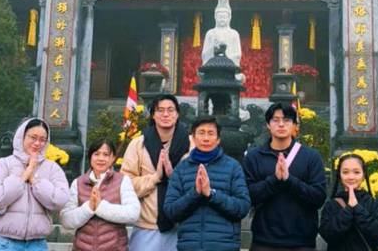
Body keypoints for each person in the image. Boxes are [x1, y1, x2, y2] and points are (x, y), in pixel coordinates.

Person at [242, 103, 328, 251]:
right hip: (264, 241)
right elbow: (248, 196)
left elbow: (319, 197)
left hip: (301, 242)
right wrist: (274, 180)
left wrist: (290, 181)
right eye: (275, 120)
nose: (281, 124)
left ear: (294, 125)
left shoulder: (310, 157)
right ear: (268, 125)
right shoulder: (254, 157)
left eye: (287, 120)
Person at [163, 116, 251, 251]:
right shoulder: (181, 169)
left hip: (224, 246)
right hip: (190, 246)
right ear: (193, 137)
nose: (205, 138)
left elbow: (242, 207)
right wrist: (195, 193)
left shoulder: (233, 167)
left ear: (218, 139)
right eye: (201, 133)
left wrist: (211, 194)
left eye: (211, 133)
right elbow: (170, 211)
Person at [0, 118, 70, 250]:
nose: (37, 143)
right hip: (6, 243)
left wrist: (35, 180)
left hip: (37, 244)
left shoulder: (52, 168)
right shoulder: (3, 164)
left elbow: (60, 200)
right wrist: (24, 175)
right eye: (33, 137)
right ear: (21, 136)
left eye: (42, 139)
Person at [121, 94, 191, 250]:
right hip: (146, 226)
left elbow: (197, 184)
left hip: (182, 226)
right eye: (160, 110)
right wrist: (155, 178)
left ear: (177, 114)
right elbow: (124, 185)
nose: (165, 114)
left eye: (170, 110)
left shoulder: (191, 144)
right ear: (153, 115)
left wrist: (174, 177)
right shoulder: (138, 144)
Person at [59, 139, 140, 251]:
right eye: (96, 154)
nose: (101, 158)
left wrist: (101, 206)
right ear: (90, 156)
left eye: (106, 154)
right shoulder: (78, 183)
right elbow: (66, 220)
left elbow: (133, 213)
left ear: (113, 158)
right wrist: (89, 207)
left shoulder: (122, 180)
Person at [319, 154, 378, 251]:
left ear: (364, 175)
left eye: (356, 172)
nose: (351, 177)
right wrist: (348, 210)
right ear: (339, 175)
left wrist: (357, 208)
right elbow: (328, 235)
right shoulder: (331, 205)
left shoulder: (374, 204)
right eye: (345, 172)